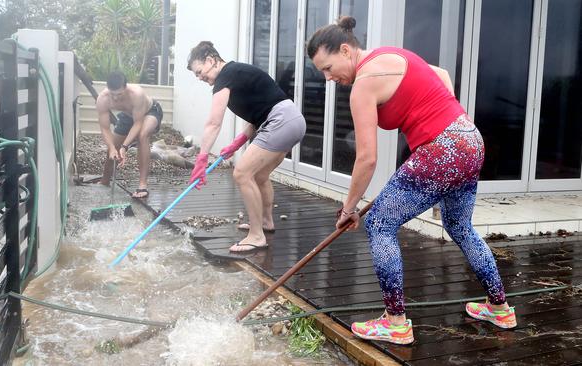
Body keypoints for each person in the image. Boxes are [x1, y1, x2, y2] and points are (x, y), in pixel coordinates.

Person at [307, 16, 516, 345]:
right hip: (469, 139)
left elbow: (367, 158)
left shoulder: (363, 83)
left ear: (346, 50)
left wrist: (348, 208)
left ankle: (395, 322)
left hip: (442, 149)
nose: (328, 77)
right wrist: (440, 121)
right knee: (460, 226)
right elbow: (442, 76)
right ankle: (500, 307)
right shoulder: (393, 54)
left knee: (378, 223)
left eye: (328, 67)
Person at [187, 41, 306, 252]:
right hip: (292, 120)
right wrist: (237, 143)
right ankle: (266, 222)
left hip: (281, 121)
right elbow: (258, 113)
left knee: (241, 174)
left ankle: (256, 236)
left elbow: (214, 123)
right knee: (259, 175)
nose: (199, 77)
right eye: (196, 75)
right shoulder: (235, 73)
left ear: (210, 60)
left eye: (199, 71)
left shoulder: (225, 77)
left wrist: (201, 158)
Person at [96, 71, 163, 198]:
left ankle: (142, 185)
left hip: (150, 112)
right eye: (112, 94)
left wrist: (125, 146)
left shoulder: (136, 94)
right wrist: (112, 148)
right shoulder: (103, 99)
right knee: (113, 148)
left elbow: (138, 123)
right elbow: (105, 128)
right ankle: (105, 180)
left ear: (125, 88)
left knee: (142, 135)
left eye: (119, 94)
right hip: (127, 116)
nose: (115, 98)